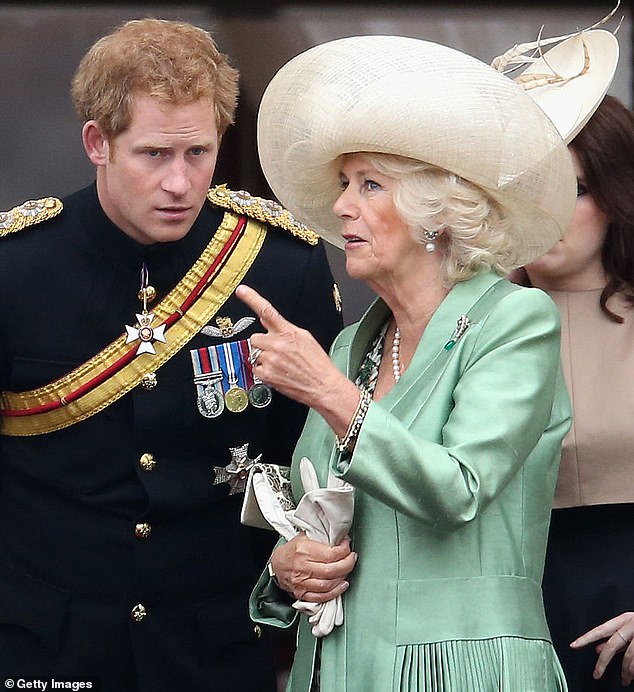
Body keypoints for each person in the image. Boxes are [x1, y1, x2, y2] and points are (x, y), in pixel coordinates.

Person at [0, 18, 342, 692]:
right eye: (155, 155)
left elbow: (312, 461)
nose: (181, 183)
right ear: (98, 143)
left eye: (199, 153)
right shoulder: (17, 270)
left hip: (213, 647)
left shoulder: (279, 267)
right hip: (46, 649)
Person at [237, 34, 578, 691]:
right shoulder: (349, 348)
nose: (341, 207)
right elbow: (312, 512)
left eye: (370, 184)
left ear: (434, 215)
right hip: (334, 669)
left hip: (461, 670)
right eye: (343, 183)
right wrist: (288, 564)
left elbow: (459, 487)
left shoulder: (515, 324)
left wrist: (329, 394)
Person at [512, 94, 634, 690]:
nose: (546, 212)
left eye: (576, 189)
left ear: (616, 198)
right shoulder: (456, 331)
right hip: (509, 618)